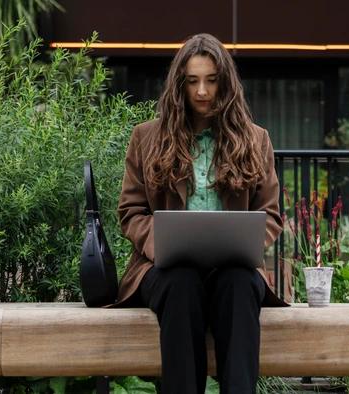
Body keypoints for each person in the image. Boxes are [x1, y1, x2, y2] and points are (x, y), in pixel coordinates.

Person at [111, 33, 289, 394]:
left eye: (211, 80)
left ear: (226, 84)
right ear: (180, 85)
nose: (203, 91)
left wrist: (251, 242)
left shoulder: (255, 140)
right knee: (181, 283)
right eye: (193, 81)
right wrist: (160, 243)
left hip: (233, 268)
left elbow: (270, 214)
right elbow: (131, 210)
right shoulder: (147, 137)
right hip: (165, 269)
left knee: (240, 284)